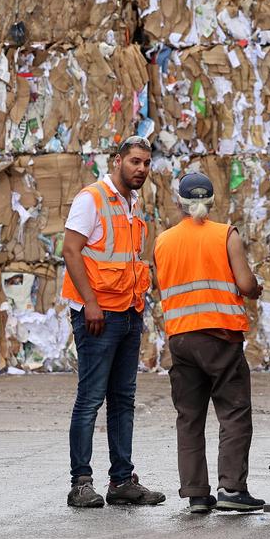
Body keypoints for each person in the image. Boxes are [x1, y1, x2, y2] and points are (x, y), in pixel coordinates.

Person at [61, 135, 165, 509]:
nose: (141, 169)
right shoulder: (92, 198)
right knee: (90, 398)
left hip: (128, 311)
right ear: (117, 160)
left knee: (123, 399)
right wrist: (90, 302)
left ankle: (122, 481)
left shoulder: (132, 203)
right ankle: (81, 483)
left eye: (146, 164)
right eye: (135, 161)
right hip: (97, 315)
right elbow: (70, 250)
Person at [152, 172, 265, 514]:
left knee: (189, 416)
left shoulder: (163, 241)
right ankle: (231, 488)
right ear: (212, 201)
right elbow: (245, 284)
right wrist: (255, 286)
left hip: (181, 338)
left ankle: (197, 494)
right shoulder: (224, 235)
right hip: (219, 336)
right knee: (233, 412)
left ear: (179, 203)